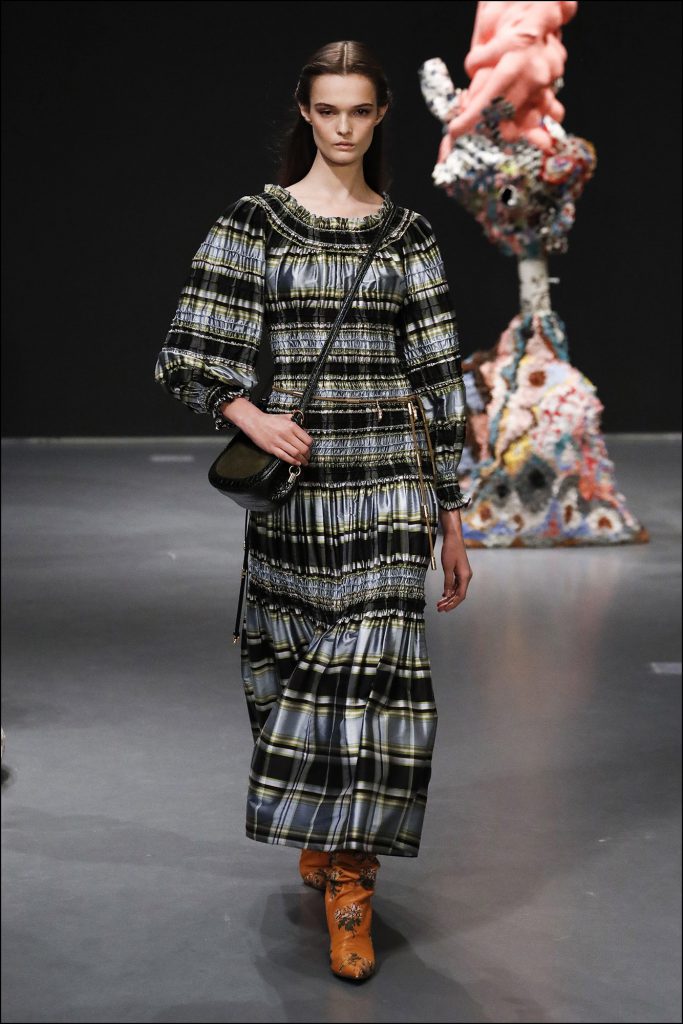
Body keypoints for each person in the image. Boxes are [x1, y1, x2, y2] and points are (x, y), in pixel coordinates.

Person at [154, 40, 473, 982]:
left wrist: (452, 514)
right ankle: (323, 826)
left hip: (389, 487)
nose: (342, 128)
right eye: (327, 110)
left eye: (358, 111)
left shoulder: (407, 235)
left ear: (380, 118)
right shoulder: (257, 222)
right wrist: (250, 412)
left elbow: (438, 378)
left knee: (376, 678)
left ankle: (350, 882)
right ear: (305, 112)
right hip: (298, 491)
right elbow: (188, 348)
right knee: (289, 670)